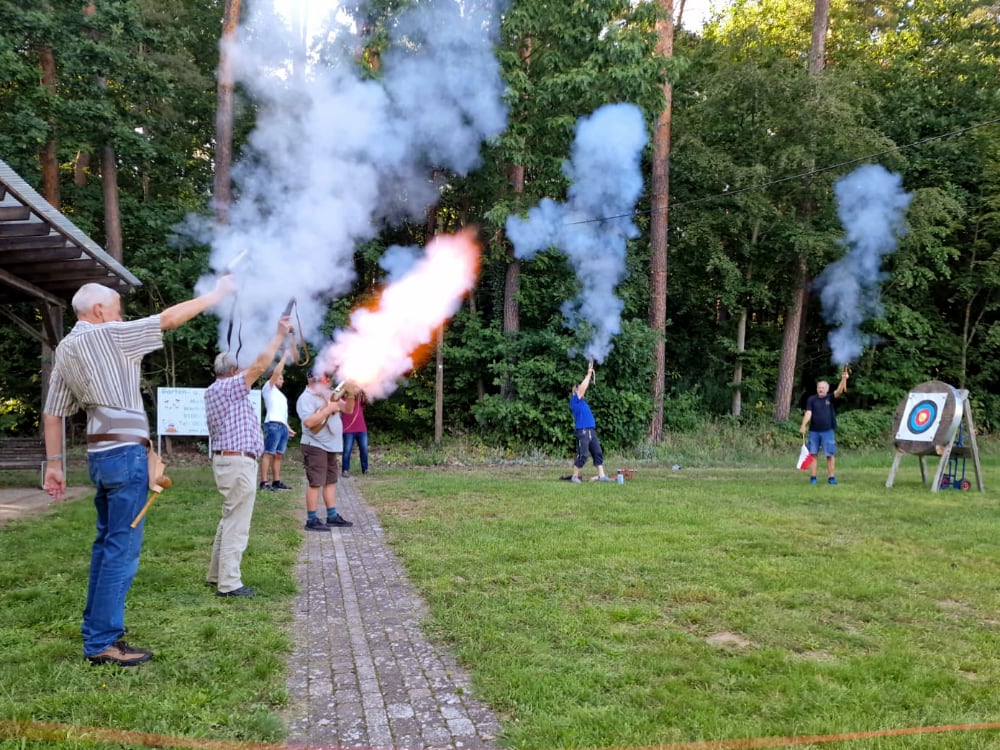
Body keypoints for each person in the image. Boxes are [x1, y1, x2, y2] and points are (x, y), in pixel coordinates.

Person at [42, 276, 235, 667]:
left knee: (106, 546)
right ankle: (102, 642)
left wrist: (56, 466)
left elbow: (52, 413)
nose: (120, 315)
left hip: (99, 457)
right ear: (99, 310)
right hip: (125, 455)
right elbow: (168, 319)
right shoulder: (110, 334)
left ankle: (96, 633)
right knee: (121, 551)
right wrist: (215, 296)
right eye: (116, 307)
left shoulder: (65, 348)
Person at [205, 317, 293, 598]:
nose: (246, 372)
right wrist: (278, 334)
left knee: (229, 516)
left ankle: (217, 574)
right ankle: (229, 584)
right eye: (240, 368)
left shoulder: (215, 390)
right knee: (237, 524)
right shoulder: (228, 387)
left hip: (229, 461)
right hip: (237, 463)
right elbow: (259, 367)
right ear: (232, 370)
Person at [296, 376, 354, 531]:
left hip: (330, 445)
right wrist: (328, 409)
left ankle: (332, 516)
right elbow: (309, 422)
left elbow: (348, 409)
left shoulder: (329, 394)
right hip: (315, 444)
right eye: (323, 378)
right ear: (312, 379)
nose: (326, 381)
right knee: (315, 482)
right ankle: (311, 519)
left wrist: (351, 395)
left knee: (330, 480)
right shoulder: (305, 398)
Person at [800, 366, 850, 485]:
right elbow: (808, 413)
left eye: (823, 388)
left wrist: (844, 379)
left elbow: (839, 391)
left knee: (830, 455)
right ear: (817, 389)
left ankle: (831, 477)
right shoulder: (811, 400)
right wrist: (803, 425)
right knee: (813, 455)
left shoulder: (830, 398)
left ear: (827, 389)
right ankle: (813, 478)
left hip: (828, 431)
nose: (821, 389)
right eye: (819, 387)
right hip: (814, 432)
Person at [569, 362, 613, 483]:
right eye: (579, 389)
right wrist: (589, 374)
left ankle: (602, 476)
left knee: (597, 452)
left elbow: (583, 388)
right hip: (582, 431)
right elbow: (583, 387)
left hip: (590, 431)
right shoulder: (574, 401)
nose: (582, 390)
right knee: (583, 455)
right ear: (576, 392)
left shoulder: (582, 402)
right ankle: (574, 477)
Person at [260, 347, 296, 491]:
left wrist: (288, 428)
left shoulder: (281, 396)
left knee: (279, 455)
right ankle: (264, 482)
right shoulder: (268, 388)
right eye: (280, 378)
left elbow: (282, 414)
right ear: (273, 378)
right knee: (269, 453)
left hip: (281, 426)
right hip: (273, 425)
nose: (283, 380)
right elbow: (276, 372)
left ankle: (276, 481)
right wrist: (285, 356)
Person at [341, 388, 369, 477]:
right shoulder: (342, 399)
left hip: (361, 428)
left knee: (364, 450)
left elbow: (366, 399)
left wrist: (362, 391)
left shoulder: (360, 398)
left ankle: (365, 469)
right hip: (348, 429)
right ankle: (345, 470)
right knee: (347, 450)